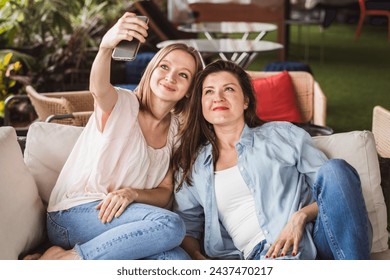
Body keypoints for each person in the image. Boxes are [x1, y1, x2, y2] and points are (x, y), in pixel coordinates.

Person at [25, 12, 203, 260]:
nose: (171, 77)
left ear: (188, 91)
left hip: (128, 220)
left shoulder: (177, 132)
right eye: (164, 66)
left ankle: (54, 256)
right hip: (73, 216)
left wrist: (131, 193)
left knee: (176, 261)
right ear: (151, 71)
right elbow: (98, 89)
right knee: (171, 225)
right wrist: (106, 48)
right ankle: (68, 261)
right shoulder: (122, 103)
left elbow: (164, 191)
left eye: (183, 74)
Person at [172, 60, 372, 260]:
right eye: (209, 92)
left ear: (246, 101)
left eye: (229, 89)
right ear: (201, 104)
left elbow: (332, 192)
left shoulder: (281, 135)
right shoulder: (192, 164)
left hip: (316, 238)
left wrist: (299, 218)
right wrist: (198, 258)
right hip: (264, 257)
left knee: (335, 170)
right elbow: (188, 227)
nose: (218, 97)